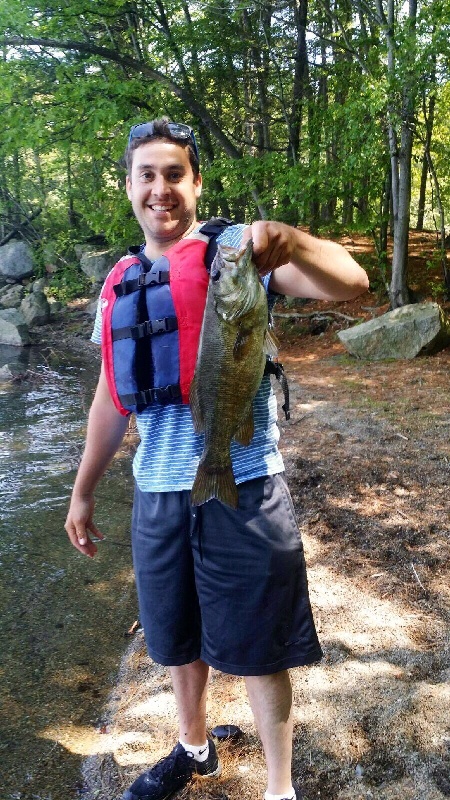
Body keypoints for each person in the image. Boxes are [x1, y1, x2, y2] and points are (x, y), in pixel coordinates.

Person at [65, 118, 369, 800]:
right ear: (129, 188)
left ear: (196, 182)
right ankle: (195, 747)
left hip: (246, 480)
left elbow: (351, 283)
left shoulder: (237, 252)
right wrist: (83, 490)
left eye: (174, 173)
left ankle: (280, 787)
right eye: (147, 175)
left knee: (260, 643)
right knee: (176, 637)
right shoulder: (120, 281)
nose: (161, 189)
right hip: (160, 491)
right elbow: (113, 396)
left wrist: (290, 240)